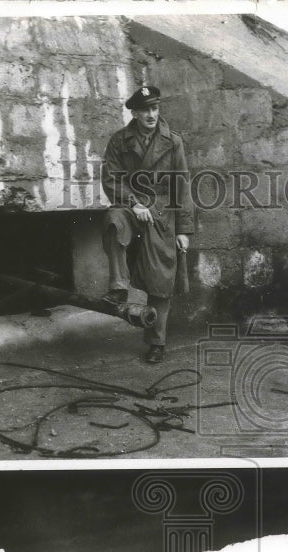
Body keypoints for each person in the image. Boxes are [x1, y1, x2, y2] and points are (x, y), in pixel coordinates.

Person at [101, 85, 194, 364]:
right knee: (114, 218)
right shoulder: (119, 141)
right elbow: (111, 179)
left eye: (155, 108)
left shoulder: (173, 141)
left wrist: (183, 230)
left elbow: (182, 184)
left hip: (163, 211)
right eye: (145, 110)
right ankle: (118, 286)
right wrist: (133, 203)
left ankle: (156, 343)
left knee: (160, 278)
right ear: (135, 113)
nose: (151, 114)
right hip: (134, 205)